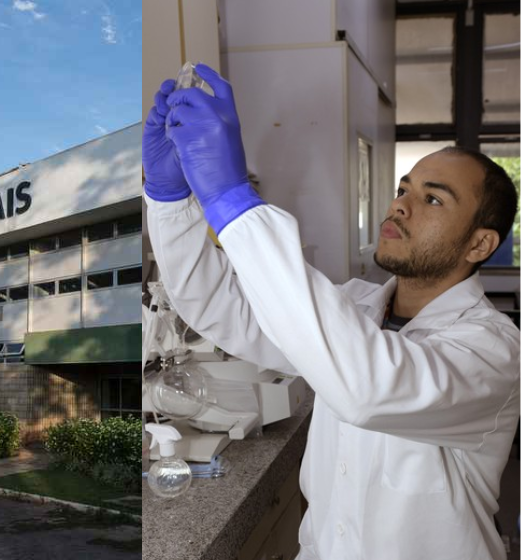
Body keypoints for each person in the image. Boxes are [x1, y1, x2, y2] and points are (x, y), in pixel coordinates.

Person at [143, 63, 520, 560]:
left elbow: (367, 388)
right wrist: (170, 199)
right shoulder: (353, 306)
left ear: (480, 243)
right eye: (403, 189)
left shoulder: (493, 350)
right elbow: (215, 305)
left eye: (433, 199)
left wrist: (236, 201)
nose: (400, 206)